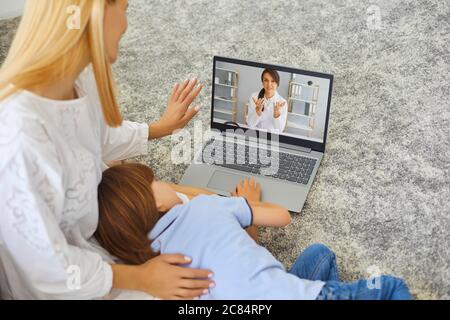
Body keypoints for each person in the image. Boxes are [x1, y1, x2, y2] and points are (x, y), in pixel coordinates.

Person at [0, 0, 213, 299]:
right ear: (96, 10)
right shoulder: (19, 135)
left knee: (197, 222)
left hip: (91, 239)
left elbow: (98, 135)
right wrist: (142, 278)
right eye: (125, 8)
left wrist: (160, 128)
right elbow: (45, 271)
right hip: (64, 280)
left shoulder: (77, 77)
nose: (126, 23)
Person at [95, 163, 413, 300]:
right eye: (155, 182)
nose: (163, 182)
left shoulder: (150, 270)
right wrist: (245, 203)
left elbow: (238, 260)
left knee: (320, 255)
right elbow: (282, 216)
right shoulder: (204, 206)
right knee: (388, 286)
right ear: (160, 204)